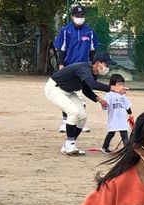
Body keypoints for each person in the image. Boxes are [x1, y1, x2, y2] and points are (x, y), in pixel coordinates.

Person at [45, 52, 123, 155]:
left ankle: (68, 144)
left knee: (82, 117)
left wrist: (99, 99)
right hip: (54, 89)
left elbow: (86, 89)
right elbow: (93, 84)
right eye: (106, 64)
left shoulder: (93, 73)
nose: (107, 68)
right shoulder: (84, 68)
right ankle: (70, 144)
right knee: (73, 112)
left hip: (69, 91)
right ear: (98, 63)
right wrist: (113, 88)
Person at [53, 5, 99, 133]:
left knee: (81, 95)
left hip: (83, 67)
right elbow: (61, 49)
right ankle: (65, 122)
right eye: (77, 16)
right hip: (68, 67)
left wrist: (94, 66)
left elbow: (92, 51)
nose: (80, 18)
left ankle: (80, 122)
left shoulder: (89, 31)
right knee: (66, 94)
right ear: (72, 16)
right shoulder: (65, 30)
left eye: (82, 15)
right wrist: (61, 65)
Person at [101, 73, 133, 153]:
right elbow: (105, 106)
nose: (121, 86)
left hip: (122, 119)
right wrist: (104, 104)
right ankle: (105, 147)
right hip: (113, 119)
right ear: (113, 85)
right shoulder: (109, 95)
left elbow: (127, 106)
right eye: (119, 84)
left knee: (124, 134)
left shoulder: (123, 96)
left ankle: (127, 149)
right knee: (111, 133)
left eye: (122, 84)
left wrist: (130, 114)